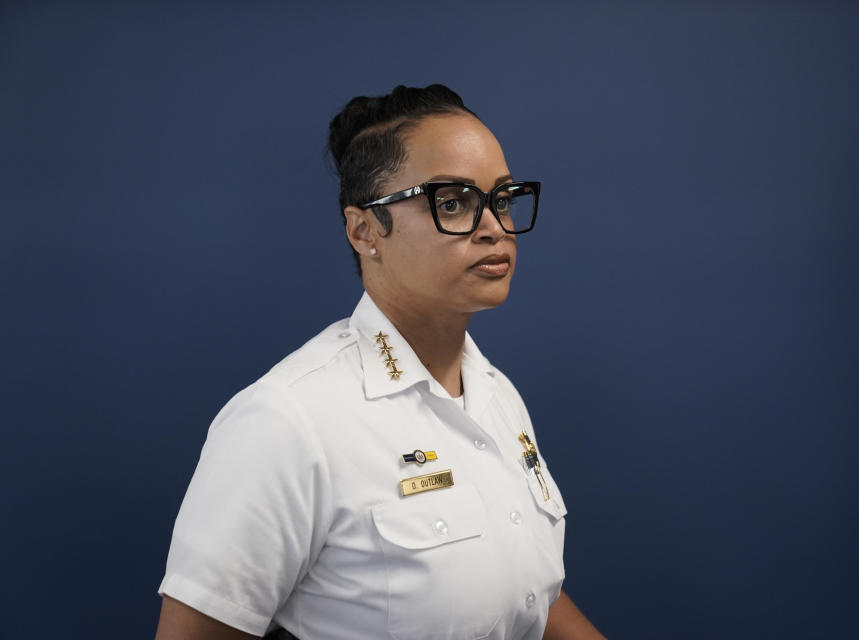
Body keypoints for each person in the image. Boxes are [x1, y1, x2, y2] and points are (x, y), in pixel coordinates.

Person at [155, 84, 604, 640]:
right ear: (365, 231)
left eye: (503, 198)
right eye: (453, 202)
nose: (494, 226)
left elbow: (525, 591)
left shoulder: (495, 395)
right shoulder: (290, 420)